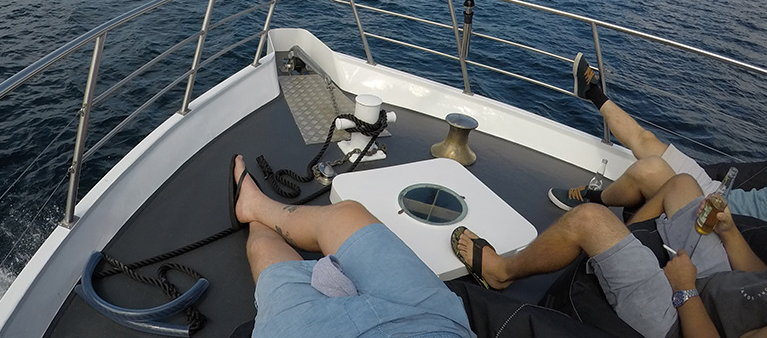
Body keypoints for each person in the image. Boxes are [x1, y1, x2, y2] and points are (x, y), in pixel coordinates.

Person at [455, 172, 767, 338]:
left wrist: (684, 289)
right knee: (682, 184)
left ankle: (501, 273)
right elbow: (758, 276)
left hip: (683, 323)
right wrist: (728, 230)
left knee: (588, 219)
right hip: (719, 282)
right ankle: (620, 249)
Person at [231, 154, 475, 338]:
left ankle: (254, 218)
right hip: (431, 327)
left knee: (268, 254)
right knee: (347, 215)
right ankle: (258, 206)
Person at [547, 53, 766, 220]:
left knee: (649, 170)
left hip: (716, 216)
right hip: (715, 191)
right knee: (647, 140)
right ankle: (592, 93)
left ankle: (592, 197)